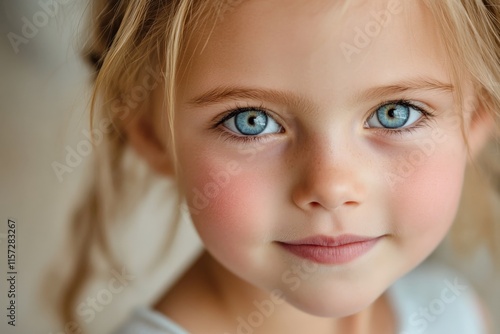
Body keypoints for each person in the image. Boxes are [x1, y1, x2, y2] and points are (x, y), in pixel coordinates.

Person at [57, 0, 500, 333]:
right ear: (153, 136)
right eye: (252, 122)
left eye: (395, 113)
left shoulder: (453, 312)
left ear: (477, 116)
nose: (330, 186)